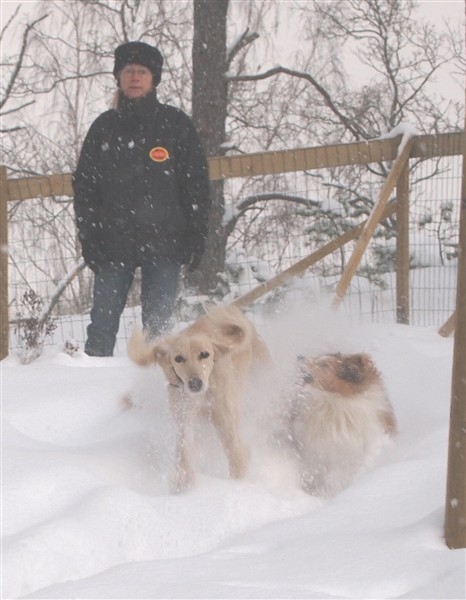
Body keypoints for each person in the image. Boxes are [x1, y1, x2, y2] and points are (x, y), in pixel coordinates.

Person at [73, 41, 211, 357]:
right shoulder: (103, 128)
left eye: (142, 71)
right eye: (129, 71)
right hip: (112, 245)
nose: (135, 77)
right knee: (101, 327)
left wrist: (197, 233)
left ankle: (154, 395)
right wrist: (89, 237)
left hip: (166, 243)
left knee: (158, 333)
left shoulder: (175, 125)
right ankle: (89, 392)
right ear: (119, 77)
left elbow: (196, 186)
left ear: (154, 78)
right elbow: (85, 191)